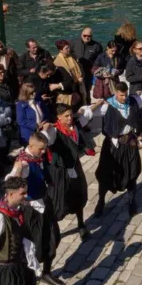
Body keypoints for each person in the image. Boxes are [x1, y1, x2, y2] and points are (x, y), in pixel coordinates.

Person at [89, 82, 142, 217]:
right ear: (116, 93)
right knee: (106, 175)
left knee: (132, 172)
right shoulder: (107, 106)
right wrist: (95, 104)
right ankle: (101, 201)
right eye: (121, 95)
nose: (124, 97)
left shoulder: (132, 101)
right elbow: (87, 111)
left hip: (130, 144)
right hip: (112, 146)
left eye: (125, 94)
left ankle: (132, 202)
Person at [10, 131, 63, 285]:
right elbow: (11, 180)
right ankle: (29, 274)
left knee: (54, 237)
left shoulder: (36, 157)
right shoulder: (23, 162)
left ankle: (46, 271)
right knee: (34, 243)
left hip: (45, 203)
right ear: (30, 145)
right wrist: (18, 171)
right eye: (40, 149)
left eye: (44, 148)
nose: (43, 152)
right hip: (31, 209)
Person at [46, 103, 98, 240]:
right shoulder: (54, 131)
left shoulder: (76, 125)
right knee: (58, 199)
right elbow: (45, 137)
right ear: (59, 117)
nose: (70, 118)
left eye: (70, 115)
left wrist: (99, 103)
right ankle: (53, 230)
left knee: (78, 195)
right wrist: (45, 128)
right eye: (66, 116)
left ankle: (81, 225)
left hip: (75, 166)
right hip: (59, 170)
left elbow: (87, 112)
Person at [124, 41, 142, 132]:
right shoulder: (131, 61)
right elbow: (128, 77)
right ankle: (138, 128)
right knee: (137, 109)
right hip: (136, 89)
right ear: (134, 50)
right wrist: (141, 77)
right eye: (140, 48)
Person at [52, 40, 86, 109]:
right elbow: (65, 77)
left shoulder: (71, 56)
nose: (69, 49)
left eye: (69, 47)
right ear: (60, 50)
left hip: (78, 83)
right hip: (70, 87)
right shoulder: (58, 62)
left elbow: (79, 67)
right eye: (66, 48)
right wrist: (76, 80)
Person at [72, 27, 103, 101]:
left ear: (92, 36)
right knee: (75, 91)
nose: (86, 37)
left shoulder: (97, 46)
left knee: (86, 92)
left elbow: (100, 60)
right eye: (84, 35)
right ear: (81, 35)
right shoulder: (74, 43)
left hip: (88, 73)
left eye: (89, 36)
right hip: (75, 72)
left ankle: (87, 106)